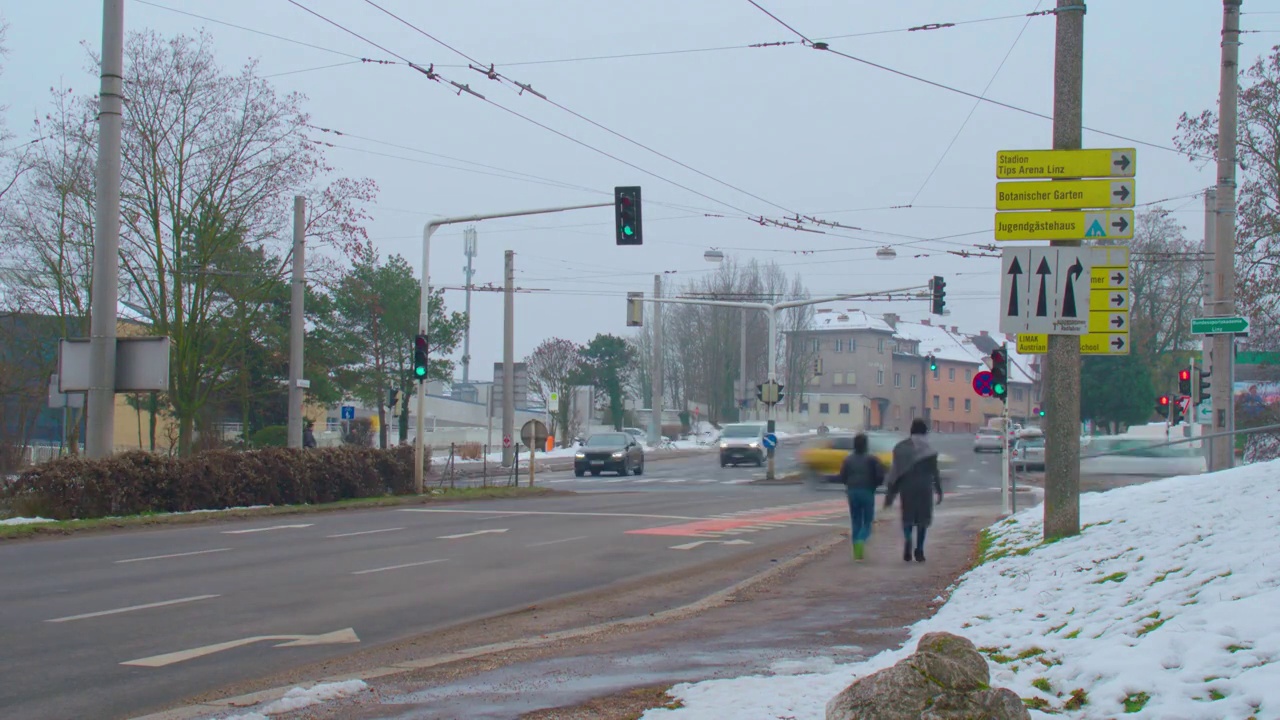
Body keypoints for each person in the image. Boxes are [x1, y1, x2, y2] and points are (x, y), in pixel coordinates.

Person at [885, 418, 943, 562]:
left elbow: (895, 472)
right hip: (924, 487)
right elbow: (935, 472)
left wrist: (891, 494)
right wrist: (939, 490)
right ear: (924, 432)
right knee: (923, 520)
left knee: (908, 518)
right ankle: (920, 550)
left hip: (907, 487)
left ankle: (908, 541)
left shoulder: (900, 448)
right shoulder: (929, 450)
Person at [839, 432, 885, 560]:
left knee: (855, 521)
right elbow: (880, 476)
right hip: (867, 491)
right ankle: (861, 539)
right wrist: (874, 485)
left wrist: (849, 484)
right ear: (866, 445)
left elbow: (842, 476)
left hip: (852, 492)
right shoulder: (872, 459)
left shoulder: (848, 459)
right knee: (868, 522)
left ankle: (857, 553)